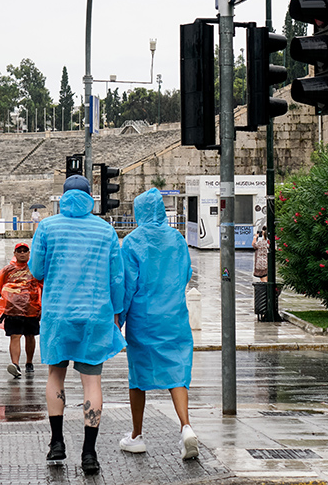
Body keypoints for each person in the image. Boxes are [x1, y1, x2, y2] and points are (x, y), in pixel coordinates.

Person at [28, 174, 126, 475]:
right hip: (95, 315)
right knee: (92, 383)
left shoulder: (47, 227)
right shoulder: (105, 230)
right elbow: (116, 278)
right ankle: (89, 453)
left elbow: (36, 269)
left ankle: (56, 442)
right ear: (90, 197)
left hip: (58, 313)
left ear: (63, 197)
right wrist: (117, 314)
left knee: (55, 376)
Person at [118, 188, 199, 460]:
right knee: (177, 371)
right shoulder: (177, 239)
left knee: (138, 376)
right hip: (174, 315)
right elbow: (186, 273)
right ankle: (186, 427)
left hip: (143, 318)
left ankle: (137, 434)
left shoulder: (131, 242)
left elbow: (126, 285)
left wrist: (119, 319)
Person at [0, 242, 42, 379]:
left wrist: (42, 306)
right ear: (15, 253)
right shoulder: (7, 270)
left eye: (25, 251)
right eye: (20, 251)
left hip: (31, 308)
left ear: (29, 253)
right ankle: (15, 364)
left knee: (30, 336)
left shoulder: (35, 269)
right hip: (12, 310)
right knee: (15, 336)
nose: (22, 253)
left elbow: (42, 287)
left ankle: (29, 363)